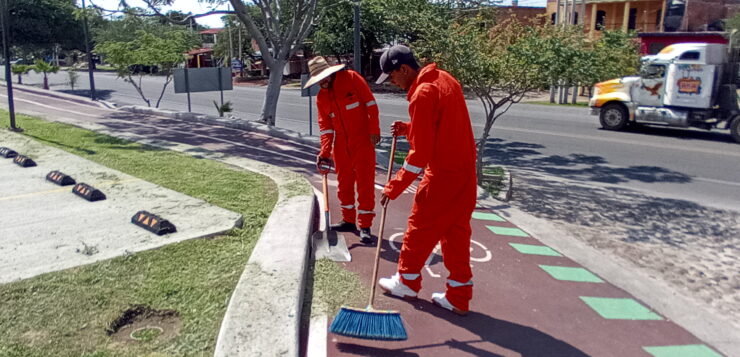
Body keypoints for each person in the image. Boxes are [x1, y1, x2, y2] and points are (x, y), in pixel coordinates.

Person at [376, 45, 477, 315]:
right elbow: (443, 127)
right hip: (465, 175)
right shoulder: (446, 79)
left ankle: (407, 282)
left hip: (442, 176)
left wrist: (394, 186)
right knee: (456, 235)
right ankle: (459, 295)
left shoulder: (422, 93)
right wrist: (410, 128)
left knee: (419, 230)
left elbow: (420, 155)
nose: (394, 83)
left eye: (393, 76)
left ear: (404, 69)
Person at [303, 56, 381, 243]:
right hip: (341, 146)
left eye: (324, 77)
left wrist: (374, 130)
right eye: (318, 79)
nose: (322, 82)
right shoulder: (322, 98)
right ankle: (348, 220)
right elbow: (325, 127)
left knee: (364, 183)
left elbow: (371, 104)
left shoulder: (352, 79)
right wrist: (325, 152)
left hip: (363, 141)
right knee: (344, 182)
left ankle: (365, 225)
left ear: (330, 73)